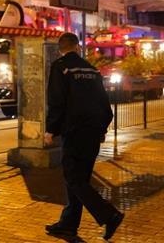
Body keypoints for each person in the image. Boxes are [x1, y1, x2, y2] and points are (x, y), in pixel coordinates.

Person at [44, 32, 124, 240]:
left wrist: (51, 129)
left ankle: (110, 215)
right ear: (77, 47)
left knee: (73, 178)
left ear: (60, 49)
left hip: (74, 131)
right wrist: (102, 128)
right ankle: (68, 224)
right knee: (80, 180)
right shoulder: (91, 69)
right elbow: (104, 102)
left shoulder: (61, 67)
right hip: (93, 132)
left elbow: (56, 101)